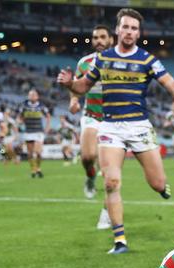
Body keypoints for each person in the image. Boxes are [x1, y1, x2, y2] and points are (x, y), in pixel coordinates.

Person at [57, 8, 174, 254]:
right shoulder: (103, 59)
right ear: (117, 30)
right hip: (110, 127)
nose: (129, 31)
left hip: (139, 126)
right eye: (126, 27)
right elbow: (83, 86)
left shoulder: (147, 60)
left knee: (157, 183)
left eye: (134, 28)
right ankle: (120, 240)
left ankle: (162, 187)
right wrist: (69, 83)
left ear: (139, 33)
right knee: (111, 182)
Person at [70, 25, 113, 203]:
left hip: (113, 120)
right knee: (87, 157)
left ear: (111, 39)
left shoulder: (121, 62)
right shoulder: (84, 62)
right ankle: (90, 177)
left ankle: (108, 212)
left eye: (103, 37)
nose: (99, 41)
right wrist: (73, 100)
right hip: (91, 115)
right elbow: (75, 85)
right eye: (96, 38)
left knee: (110, 169)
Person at [17, 88, 51, 178]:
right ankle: (33, 169)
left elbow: (48, 116)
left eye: (34, 95)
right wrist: (19, 121)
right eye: (30, 95)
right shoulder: (23, 106)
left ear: (37, 97)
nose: (32, 96)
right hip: (28, 131)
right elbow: (19, 117)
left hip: (39, 130)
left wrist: (48, 126)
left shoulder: (41, 106)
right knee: (30, 153)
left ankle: (38, 168)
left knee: (38, 152)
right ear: (28, 96)